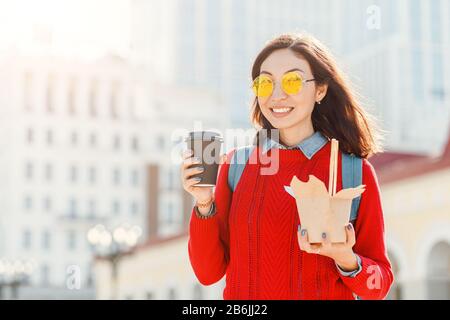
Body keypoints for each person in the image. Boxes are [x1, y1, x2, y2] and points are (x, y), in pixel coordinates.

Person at [181, 32, 394, 300]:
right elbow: (208, 273)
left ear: (320, 89)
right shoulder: (237, 166)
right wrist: (203, 205)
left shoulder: (353, 171)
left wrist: (344, 257)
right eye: (265, 83)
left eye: (292, 81)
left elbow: (379, 286)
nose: (277, 95)